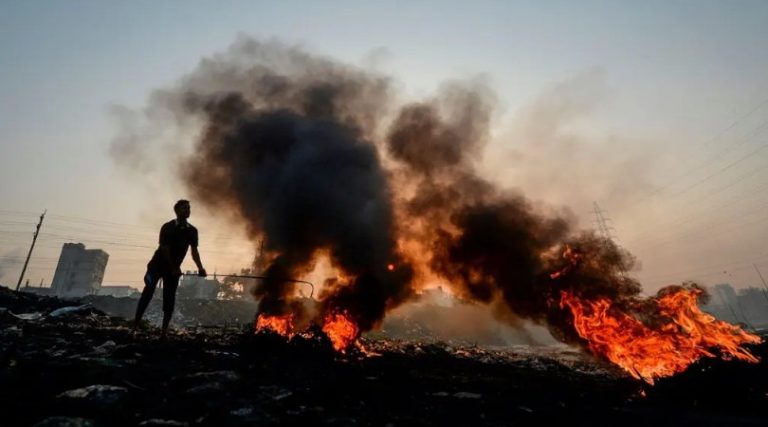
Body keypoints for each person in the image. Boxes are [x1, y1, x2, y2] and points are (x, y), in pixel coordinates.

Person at [134, 199, 206, 337]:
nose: (187, 211)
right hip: (157, 266)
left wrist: (201, 268)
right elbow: (165, 249)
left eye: (188, 208)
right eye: (184, 208)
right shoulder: (168, 227)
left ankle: (164, 332)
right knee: (147, 293)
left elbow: (194, 251)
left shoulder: (192, 231)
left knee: (170, 299)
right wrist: (174, 267)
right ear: (177, 211)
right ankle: (135, 327)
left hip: (173, 270)